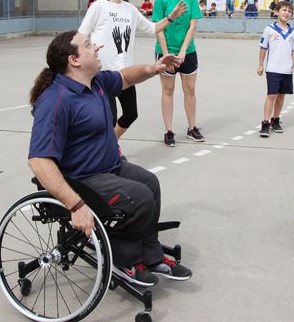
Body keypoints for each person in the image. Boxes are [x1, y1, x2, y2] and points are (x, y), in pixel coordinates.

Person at [28, 30, 192, 286]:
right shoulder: (56, 101)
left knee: (150, 183)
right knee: (138, 197)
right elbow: (39, 161)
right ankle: (125, 260)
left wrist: (154, 68)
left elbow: (126, 76)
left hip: (110, 168)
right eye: (88, 44)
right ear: (74, 60)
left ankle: (150, 255)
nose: (97, 46)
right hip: (82, 180)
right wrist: (76, 206)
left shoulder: (97, 82)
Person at [79, 0, 187, 141]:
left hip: (126, 74)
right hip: (103, 74)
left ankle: (111, 144)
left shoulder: (129, 9)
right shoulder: (98, 6)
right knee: (109, 118)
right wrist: (87, 52)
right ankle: (107, 151)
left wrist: (171, 17)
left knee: (131, 114)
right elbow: (80, 36)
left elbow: (152, 28)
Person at [153, 0, 205, 146]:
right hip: (166, 51)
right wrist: (167, 55)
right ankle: (168, 131)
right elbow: (158, 29)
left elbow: (193, 25)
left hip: (188, 52)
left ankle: (192, 127)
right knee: (168, 90)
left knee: (190, 90)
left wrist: (183, 50)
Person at [257, 1, 294, 137]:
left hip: (286, 69)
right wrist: (260, 64)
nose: (286, 13)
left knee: (281, 96)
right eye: (283, 10)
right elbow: (263, 48)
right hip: (273, 68)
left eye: (289, 11)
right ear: (276, 12)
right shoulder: (269, 29)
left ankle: (275, 120)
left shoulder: (292, 32)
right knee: (271, 95)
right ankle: (265, 122)